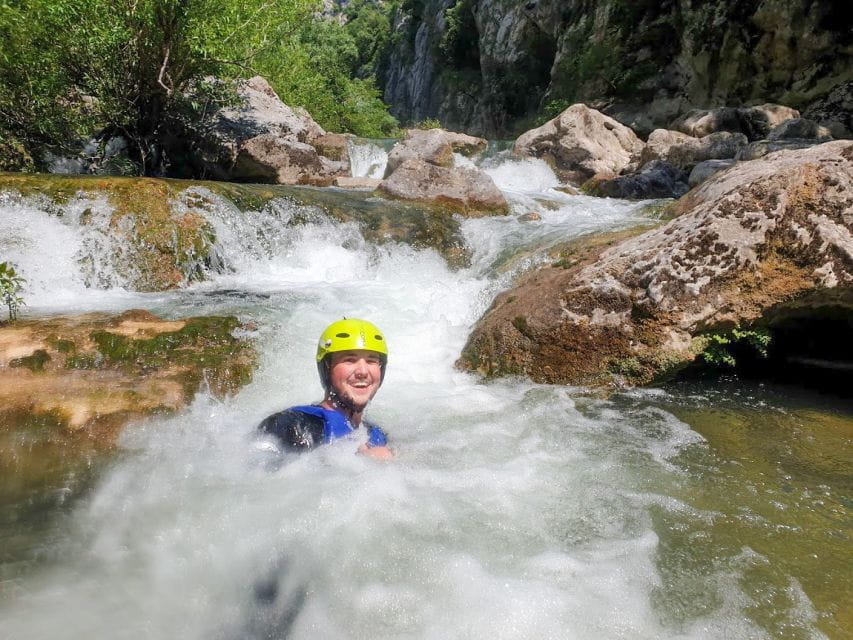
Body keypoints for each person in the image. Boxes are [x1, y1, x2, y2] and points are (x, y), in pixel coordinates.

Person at [257, 318, 393, 459]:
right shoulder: (292, 424)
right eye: (349, 360)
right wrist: (361, 459)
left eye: (371, 361)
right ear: (327, 368)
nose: (363, 372)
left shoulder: (377, 434)